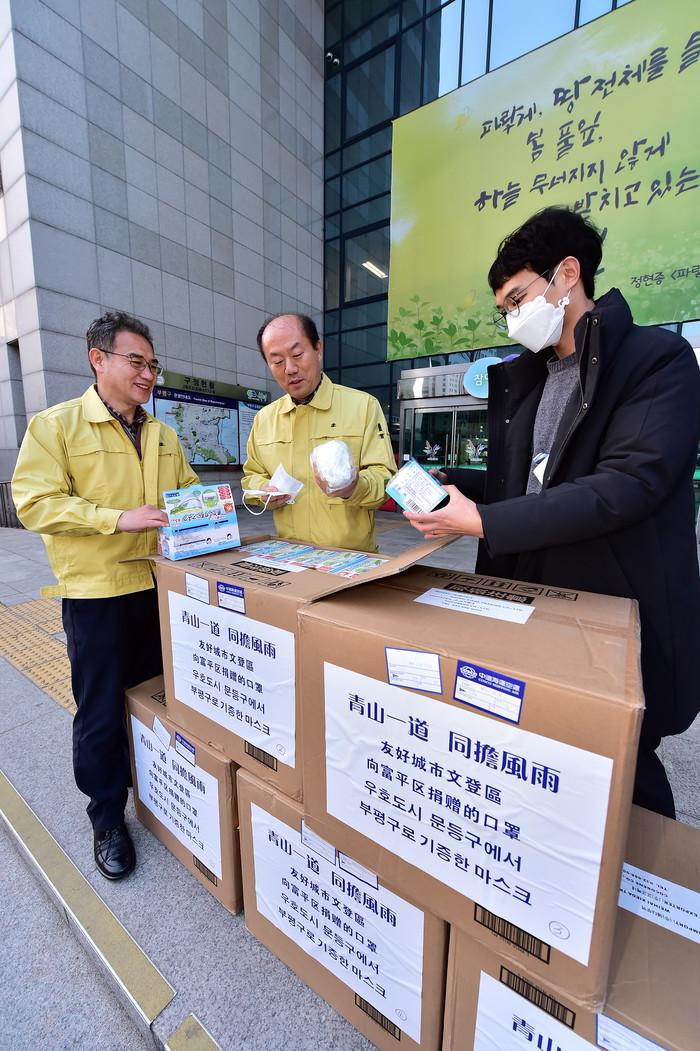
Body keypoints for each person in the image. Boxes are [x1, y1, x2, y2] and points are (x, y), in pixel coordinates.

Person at [405, 206, 700, 818]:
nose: (512, 318)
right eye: (504, 310)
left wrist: (483, 522)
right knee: (545, 753)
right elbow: (526, 482)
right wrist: (453, 484)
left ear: (568, 274)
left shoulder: (655, 359)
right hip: (529, 597)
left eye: (517, 299)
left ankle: (653, 877)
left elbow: (627, 484)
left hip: (611, 607)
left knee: (625, 765)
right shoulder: (531, 379)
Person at [12, 311, 198, 879]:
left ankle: (158, 793)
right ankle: (107, 816)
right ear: (98, 359)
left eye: (153, 365)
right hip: (97, 594)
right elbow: (34, 503)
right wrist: (116, 518)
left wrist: (204, 513)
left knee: (156, 698)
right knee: (99, 712)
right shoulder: (57, 426)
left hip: (156, 587)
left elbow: (187, 491)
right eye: (136, 361)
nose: (148, 374)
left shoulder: (162, 433)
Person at [243, 313, 395, 552]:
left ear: (318, 349)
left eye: (297, 354)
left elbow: (385, 479)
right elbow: (251, 476)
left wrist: (354, 487)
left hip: (352, 558)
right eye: (277, 361)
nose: (290, 369)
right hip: (291, 555)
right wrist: (263, 491)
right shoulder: (264, 419)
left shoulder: (363, 406)